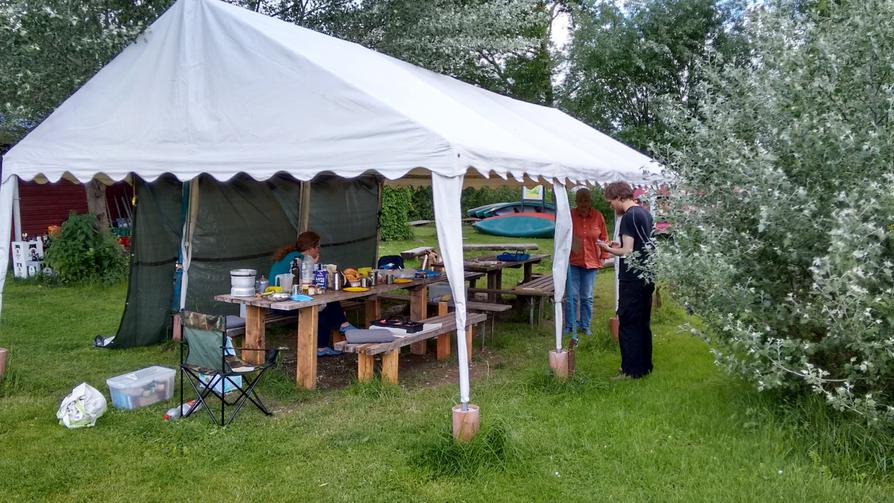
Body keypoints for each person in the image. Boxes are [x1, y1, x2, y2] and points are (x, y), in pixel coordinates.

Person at [598, 181, 655, 380]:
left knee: (628, 323)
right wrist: (618, 243)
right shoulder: (644, 213)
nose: (611, 206)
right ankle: (644, 366)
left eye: (611, 201)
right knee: (642, 323)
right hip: (647, 275)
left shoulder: (628, 217)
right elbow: (638, 244)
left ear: (620, 197)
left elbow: (626, 251)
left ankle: (629, 370)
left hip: (631, 278)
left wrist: (608, 249)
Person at [270, 231, 353, 357]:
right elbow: (307, 282)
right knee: (323, 306)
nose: (318, 250)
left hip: (278, 300)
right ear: (310, 248)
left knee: (323, 306)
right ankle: (342, 326)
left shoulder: (291, 255)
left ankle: (326, 343)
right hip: (283, 304)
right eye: (318, 247)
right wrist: (313, 264)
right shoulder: (300, 259)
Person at [565, 188, 609, 347]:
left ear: (590, 202)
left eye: (586, 201)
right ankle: (570, 325)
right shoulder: (570, 215)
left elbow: (604, 237)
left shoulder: (598, 216)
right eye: (580, 201)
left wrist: (604, 256)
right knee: (571, 295)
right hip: (573, 261)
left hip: (591, 262)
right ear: (576, 202)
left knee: (587, 296)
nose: (583, 204)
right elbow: (563, 234)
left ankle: (585, 325)